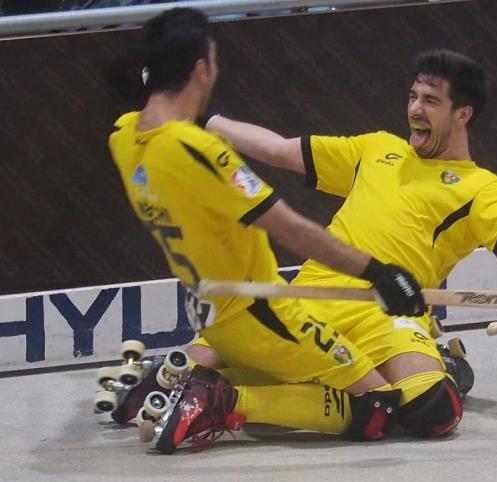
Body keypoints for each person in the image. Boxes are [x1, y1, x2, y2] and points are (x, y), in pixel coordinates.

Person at [186, 48, 497, 437]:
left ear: (462, 114)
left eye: (431, 101)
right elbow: (278, 149)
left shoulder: (480, 188)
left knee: (434, 409)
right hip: (314, 298)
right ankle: (418, 363)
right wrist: (202, 119)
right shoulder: (376, 149)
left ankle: (235, 404)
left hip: (384, 316)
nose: (415, 109)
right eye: (413, 96)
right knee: (187, 372)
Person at [108, 7, 428, 454]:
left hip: (208, 311)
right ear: (200, 68)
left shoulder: (124, 138)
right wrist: (378, 272)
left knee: (311, 371)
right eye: (214, 59)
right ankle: (225, 401)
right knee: (380, 407)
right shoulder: (198, 149)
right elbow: (290, 229)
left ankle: (179, 381)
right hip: (258, 309)